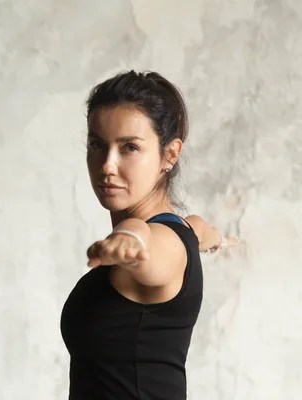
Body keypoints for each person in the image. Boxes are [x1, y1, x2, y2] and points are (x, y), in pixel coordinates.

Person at [59, 70, 240, 399]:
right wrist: (224, 242)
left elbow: (151, 245)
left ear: (169, 155)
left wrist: (132, 237)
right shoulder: (184, 230)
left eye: (129, 147)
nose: (107, 165)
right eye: (97, 145)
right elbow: (197, 229)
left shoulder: (162, 244)